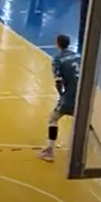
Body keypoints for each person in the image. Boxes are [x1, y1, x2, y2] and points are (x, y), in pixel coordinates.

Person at [38, 34, 80, 162]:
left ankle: (50, 151)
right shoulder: (78, 56)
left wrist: (62, 95)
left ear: (57, 43)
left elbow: (58, 81)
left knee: (53, 119)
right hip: (83, 93)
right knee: (82, 119)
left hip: (70, 95)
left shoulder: (57, 60)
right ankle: (85, 147)